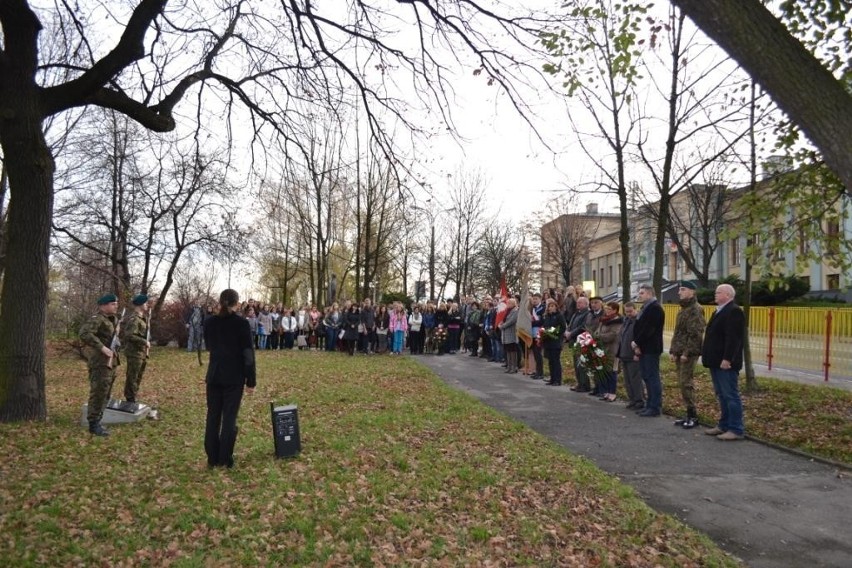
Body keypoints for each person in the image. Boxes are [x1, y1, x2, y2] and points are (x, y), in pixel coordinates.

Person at [203, 289, 256, 468]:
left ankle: (212, 457)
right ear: (236, 302)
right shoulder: (241, 324)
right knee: (229, 417)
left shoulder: (210, 322)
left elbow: (209, 345)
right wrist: (251, 380)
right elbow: (248, 353)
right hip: (233, 376)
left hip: (215, 374)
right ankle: (224, 457)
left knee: (213, 416)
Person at [702, 283, 746, 441]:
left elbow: (734, 339)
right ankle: (723, 424)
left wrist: (728, 358)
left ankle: (736, 429)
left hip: (725, 362)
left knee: (730, 395)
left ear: (728, 295)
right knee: (721, 394)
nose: (715, 294)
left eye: (718, 292)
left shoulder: (734, 311)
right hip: (715, 361)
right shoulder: (719, 311)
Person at [79, 294, 122, 436]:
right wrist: (102, 348)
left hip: (110, 362)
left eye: (116, 303)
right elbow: (84, 333)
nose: (115, 306)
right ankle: (93, 423)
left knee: (105, 392)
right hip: (100, 362)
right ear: (103, 306)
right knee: (98, 393)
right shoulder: (97, 319)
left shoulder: (112, 320)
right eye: (112, 304)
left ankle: (99, 419)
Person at [669, 281, 706, 429]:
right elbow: (678, 332)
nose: (679, 292)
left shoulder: (695, 309)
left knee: (686, 383)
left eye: (683, 289)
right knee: (682, 383)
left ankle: (693, 416)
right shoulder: (683, 309)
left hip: (688, 353)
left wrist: (686, 353)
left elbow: (695, 334)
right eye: (679, 290)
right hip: (680, 351)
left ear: (692, 292)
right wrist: (673, 351)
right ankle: (688, 414)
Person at [632, 284, 665, 417]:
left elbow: (649, 330)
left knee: (652, 377)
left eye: (642, 293)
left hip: (651, 348)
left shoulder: (655, 308)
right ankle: (649, 404)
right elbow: (639, 327)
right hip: (644, 348)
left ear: (650, 294)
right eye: (639, 293)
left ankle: (655, 406)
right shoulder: (645, 308)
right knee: (646, 376)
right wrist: (637, 345)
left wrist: (637, 342)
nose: (639, 295)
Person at [120, 294, 152, 410]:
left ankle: (133, 397)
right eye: (146, 303)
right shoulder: (134, 319)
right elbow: (129, 335)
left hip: (141, 352)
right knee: (132, 377)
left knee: (138, 376)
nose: (147, 305)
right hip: (134, 353)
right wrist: (144, 342)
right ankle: (130, 399)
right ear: (140, 305)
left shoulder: (143, 318)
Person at [617, 302, 645, 410]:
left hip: (633, 355)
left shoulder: (638, 321)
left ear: (635, 309)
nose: (628, 313)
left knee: (636, 379)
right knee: (627, 380)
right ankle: (632, 399)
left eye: (630, 311)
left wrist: (637, 353)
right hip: (624, 354)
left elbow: (639, 338)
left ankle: (639, 400)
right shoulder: (626, 321)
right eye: (626, 311)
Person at [566, 296, 591, 392]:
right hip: (574, 341)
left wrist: (571, 333)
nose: (578, 304)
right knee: (576, 363)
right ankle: (579, 383)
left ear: (586, 304)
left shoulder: (587, 314)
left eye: (580, 303)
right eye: (578, 302)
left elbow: (582, 326)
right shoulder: (576, 314)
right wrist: (567, 331)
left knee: (582, 364)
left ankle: (585, 384)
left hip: (581, 340)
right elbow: (571, 324)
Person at [541, 299, 567, 385]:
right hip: (548, 341)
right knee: (550, 361)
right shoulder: (547, 316)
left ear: (556, 307)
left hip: (556, 340)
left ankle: (557, 380)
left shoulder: (559, 316)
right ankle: (552, 378)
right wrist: (544, 332)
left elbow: (562, 327)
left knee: (556, 361)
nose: (550, 308)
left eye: (552, 306)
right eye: (549, 306)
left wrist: (552, 331)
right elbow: (545, 326)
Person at [499, 297, 519, 373]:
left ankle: (514, 367)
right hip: (506, 334)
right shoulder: (507, 311)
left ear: (514, 304)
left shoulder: (515, 311)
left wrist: (502, 326)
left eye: (509, 303)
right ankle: (509, 366)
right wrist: (500, 323)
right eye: (507, 303)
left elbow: (511, 321)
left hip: (512, 333)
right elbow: (504, 320)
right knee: (508, 350)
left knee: (512, 351)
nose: (508, 304)